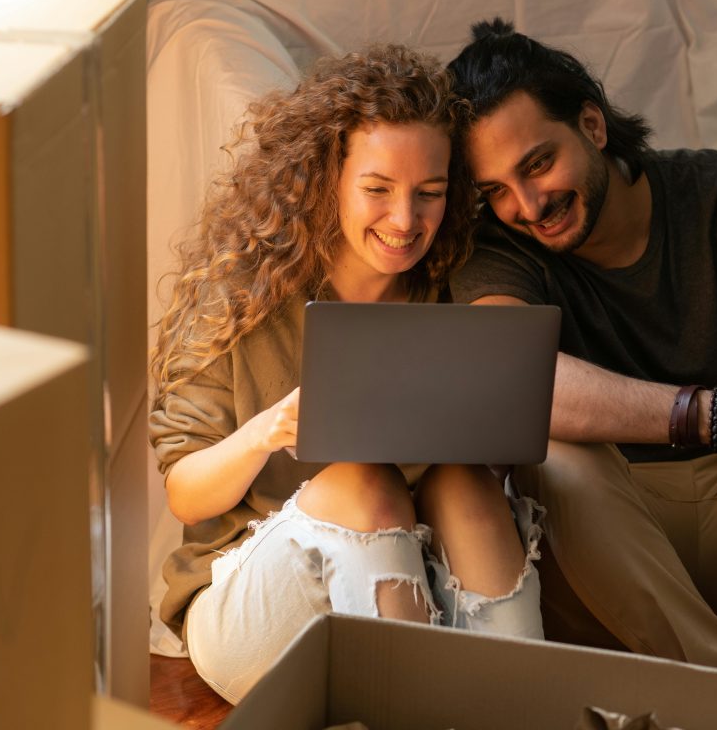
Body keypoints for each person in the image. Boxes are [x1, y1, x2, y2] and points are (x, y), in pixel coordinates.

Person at [149, 44, 544, 704]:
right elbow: (186, 495)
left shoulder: (449, 290)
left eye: (430, 194)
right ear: (326, 179)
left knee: (465, 483)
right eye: (378, 190)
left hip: (415, 588)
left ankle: (521, 707)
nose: (405, 221)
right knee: (365, 484)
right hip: (252, 606)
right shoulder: (238, 296)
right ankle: (419, 710)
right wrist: (267, 432)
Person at [446, 17, 717, 693]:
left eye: (537, 164)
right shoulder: (497, 250)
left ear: (592, 125)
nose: (528, 206)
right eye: (496, 190)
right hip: (602, 554)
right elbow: (513, 379)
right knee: (552, 452)